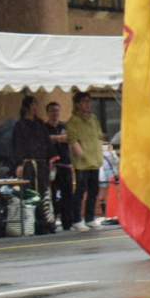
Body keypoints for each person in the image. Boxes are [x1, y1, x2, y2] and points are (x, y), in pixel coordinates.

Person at [67, 91, 103, 231]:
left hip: (95, 160)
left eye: (89, 101)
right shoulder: (73, 121)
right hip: (82, 163)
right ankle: (76, 219)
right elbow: (73, 139)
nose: (88, 104)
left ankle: (90, 218)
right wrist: (81, 154)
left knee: (94, 190)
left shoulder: (94, 119)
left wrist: (99, 154)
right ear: (77, 104)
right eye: (84, 101)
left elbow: (99, 137)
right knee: (80, 190)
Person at [11, 95, 52, 197]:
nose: (34, 107)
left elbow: (47, 142)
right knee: (30, 190)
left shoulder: (40, 123)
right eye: (32, 104)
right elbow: (17, 145)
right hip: (28, 165)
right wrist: (19, 164)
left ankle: (41, 212)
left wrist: (51, 161)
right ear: (26, 107)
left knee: (43, 191)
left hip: (41, 164)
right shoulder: (20, 125)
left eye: (35, 104)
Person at [45, 101, 75, 231]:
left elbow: (70, 138)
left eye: (57, 110)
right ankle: (51, 221)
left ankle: (67, 222)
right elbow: (44, 139)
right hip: (51, 165)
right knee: (51, 194)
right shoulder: (44, 127)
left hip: (65, 164)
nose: (55, 113)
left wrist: (54, 138)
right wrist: (59, 138)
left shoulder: (65, 125)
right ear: (47, 113)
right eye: (52, 111)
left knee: (67, 193)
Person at [98, 139, 118, 219]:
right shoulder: (98, 152)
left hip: (110, 171)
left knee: (111, 190)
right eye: (103, 144)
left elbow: (116, 161)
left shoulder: (111, 152)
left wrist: (111, 152)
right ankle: (103, 211)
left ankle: (110, 209)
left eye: (106, 143)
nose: (104, 145)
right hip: (102, 172)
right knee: (103, 191)